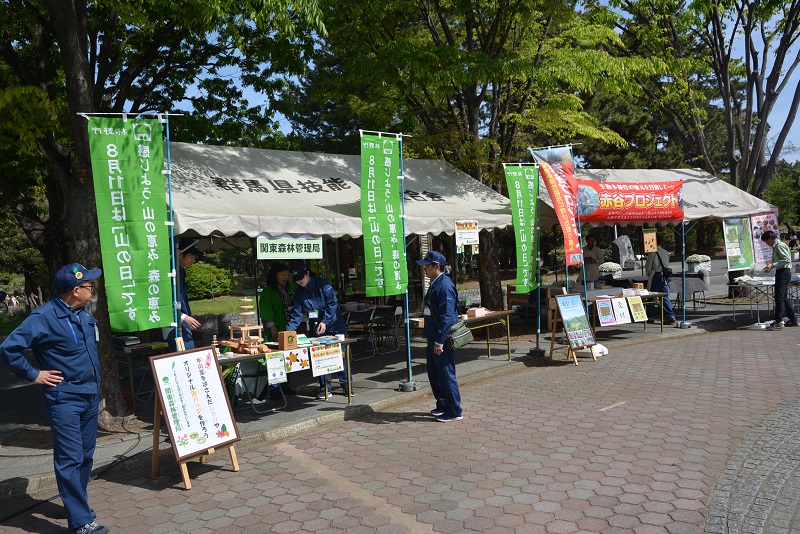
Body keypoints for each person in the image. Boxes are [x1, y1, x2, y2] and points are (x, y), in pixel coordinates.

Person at [0, 263, 109, 534]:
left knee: (85, 456)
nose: (92, 290)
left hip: (88, 395)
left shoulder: (82, 313)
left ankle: (77, 506)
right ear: (75, 290)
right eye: (89, 286)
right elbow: (9, 348)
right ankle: (81, 523)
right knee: (70, 458)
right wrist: (34, 374)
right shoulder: (44, 316)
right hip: (64, 399)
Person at [285, 261, 349, 399]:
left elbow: (333, 303)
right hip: (316, 327)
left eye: (301, 278)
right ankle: (325, 388)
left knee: (340, 355)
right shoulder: (299, 293)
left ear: (307, 273)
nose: (299, 282)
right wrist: (288, 332)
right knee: (319, 357)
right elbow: (296, 314)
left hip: (334, 324)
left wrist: (325, 321)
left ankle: (346, 386)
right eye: (297, 280)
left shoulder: (323, 284)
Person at [417, 250, 463, 423]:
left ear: (436, 266)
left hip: (440, 338)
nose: (425, 269)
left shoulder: (444, 286)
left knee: (446, 374)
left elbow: (447, 317)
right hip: (433, 336)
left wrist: (439, 341)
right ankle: (443, 404)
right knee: (434, 374)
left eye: (427, 266)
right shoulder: (436, 283)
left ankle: (454, 410)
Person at [257, 262, 297, 399]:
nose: (285, 277)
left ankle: (286, 386)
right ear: (275, 275)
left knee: (289, 357)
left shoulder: (291, 288)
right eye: (282, 274)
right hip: (275, 329)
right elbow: (266, 310)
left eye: (287, 274)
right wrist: (272, 326)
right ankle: (274, 390)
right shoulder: (268, 291)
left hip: (290, 329)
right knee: (276, 358)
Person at [167, 239, 203, 351]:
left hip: (182, 320)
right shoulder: (171, 272)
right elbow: (168, 299)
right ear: (179, 254)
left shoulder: (180, 271)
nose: (193, 260)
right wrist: (183, 316)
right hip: (175, 322)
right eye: (191, 256)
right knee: (185, 354)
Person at [761, 230, 799, 330]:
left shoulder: (779, 245)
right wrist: (771, 265)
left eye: (766, 241)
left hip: (783, 272)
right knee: (783, 297)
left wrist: (773, 264)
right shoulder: (776, 246)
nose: (766, 244)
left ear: (770, 239)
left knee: (779, 297)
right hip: (782, 272)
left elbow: (786, 259)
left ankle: (778, 321)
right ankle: (794, 319)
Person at [644, 234, 676, 325]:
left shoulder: (652, 252)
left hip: (656, 276)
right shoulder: (666, 252)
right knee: (665, 296)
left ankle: (650, 315)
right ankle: (670, 315)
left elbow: (648, 267)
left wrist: (650, 273)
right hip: (665, 277)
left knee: (651, 295)